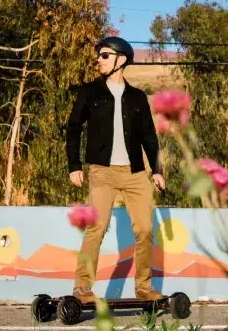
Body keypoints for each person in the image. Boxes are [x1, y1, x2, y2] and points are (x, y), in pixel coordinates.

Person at [65, 36, 165, 303]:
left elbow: (149, 135)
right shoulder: (89, 92)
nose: (99, 59)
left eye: (105, 55)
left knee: (145, 230)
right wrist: (74, 165)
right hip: (102, 172)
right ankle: (82, 287)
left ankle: (144, 287)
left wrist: (157, 170)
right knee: (96, 227)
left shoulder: (137, 97)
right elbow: (73, 129)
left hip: (135, 173)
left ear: (121, 60)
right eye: (99, 55)